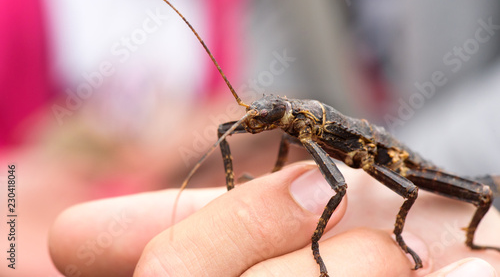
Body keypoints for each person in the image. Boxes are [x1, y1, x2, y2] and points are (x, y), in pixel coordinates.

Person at [49, 161, 500, 276]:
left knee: (480, 192)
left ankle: (471, 238)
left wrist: (318, 244)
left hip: (404, 161)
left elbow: (341, 186)